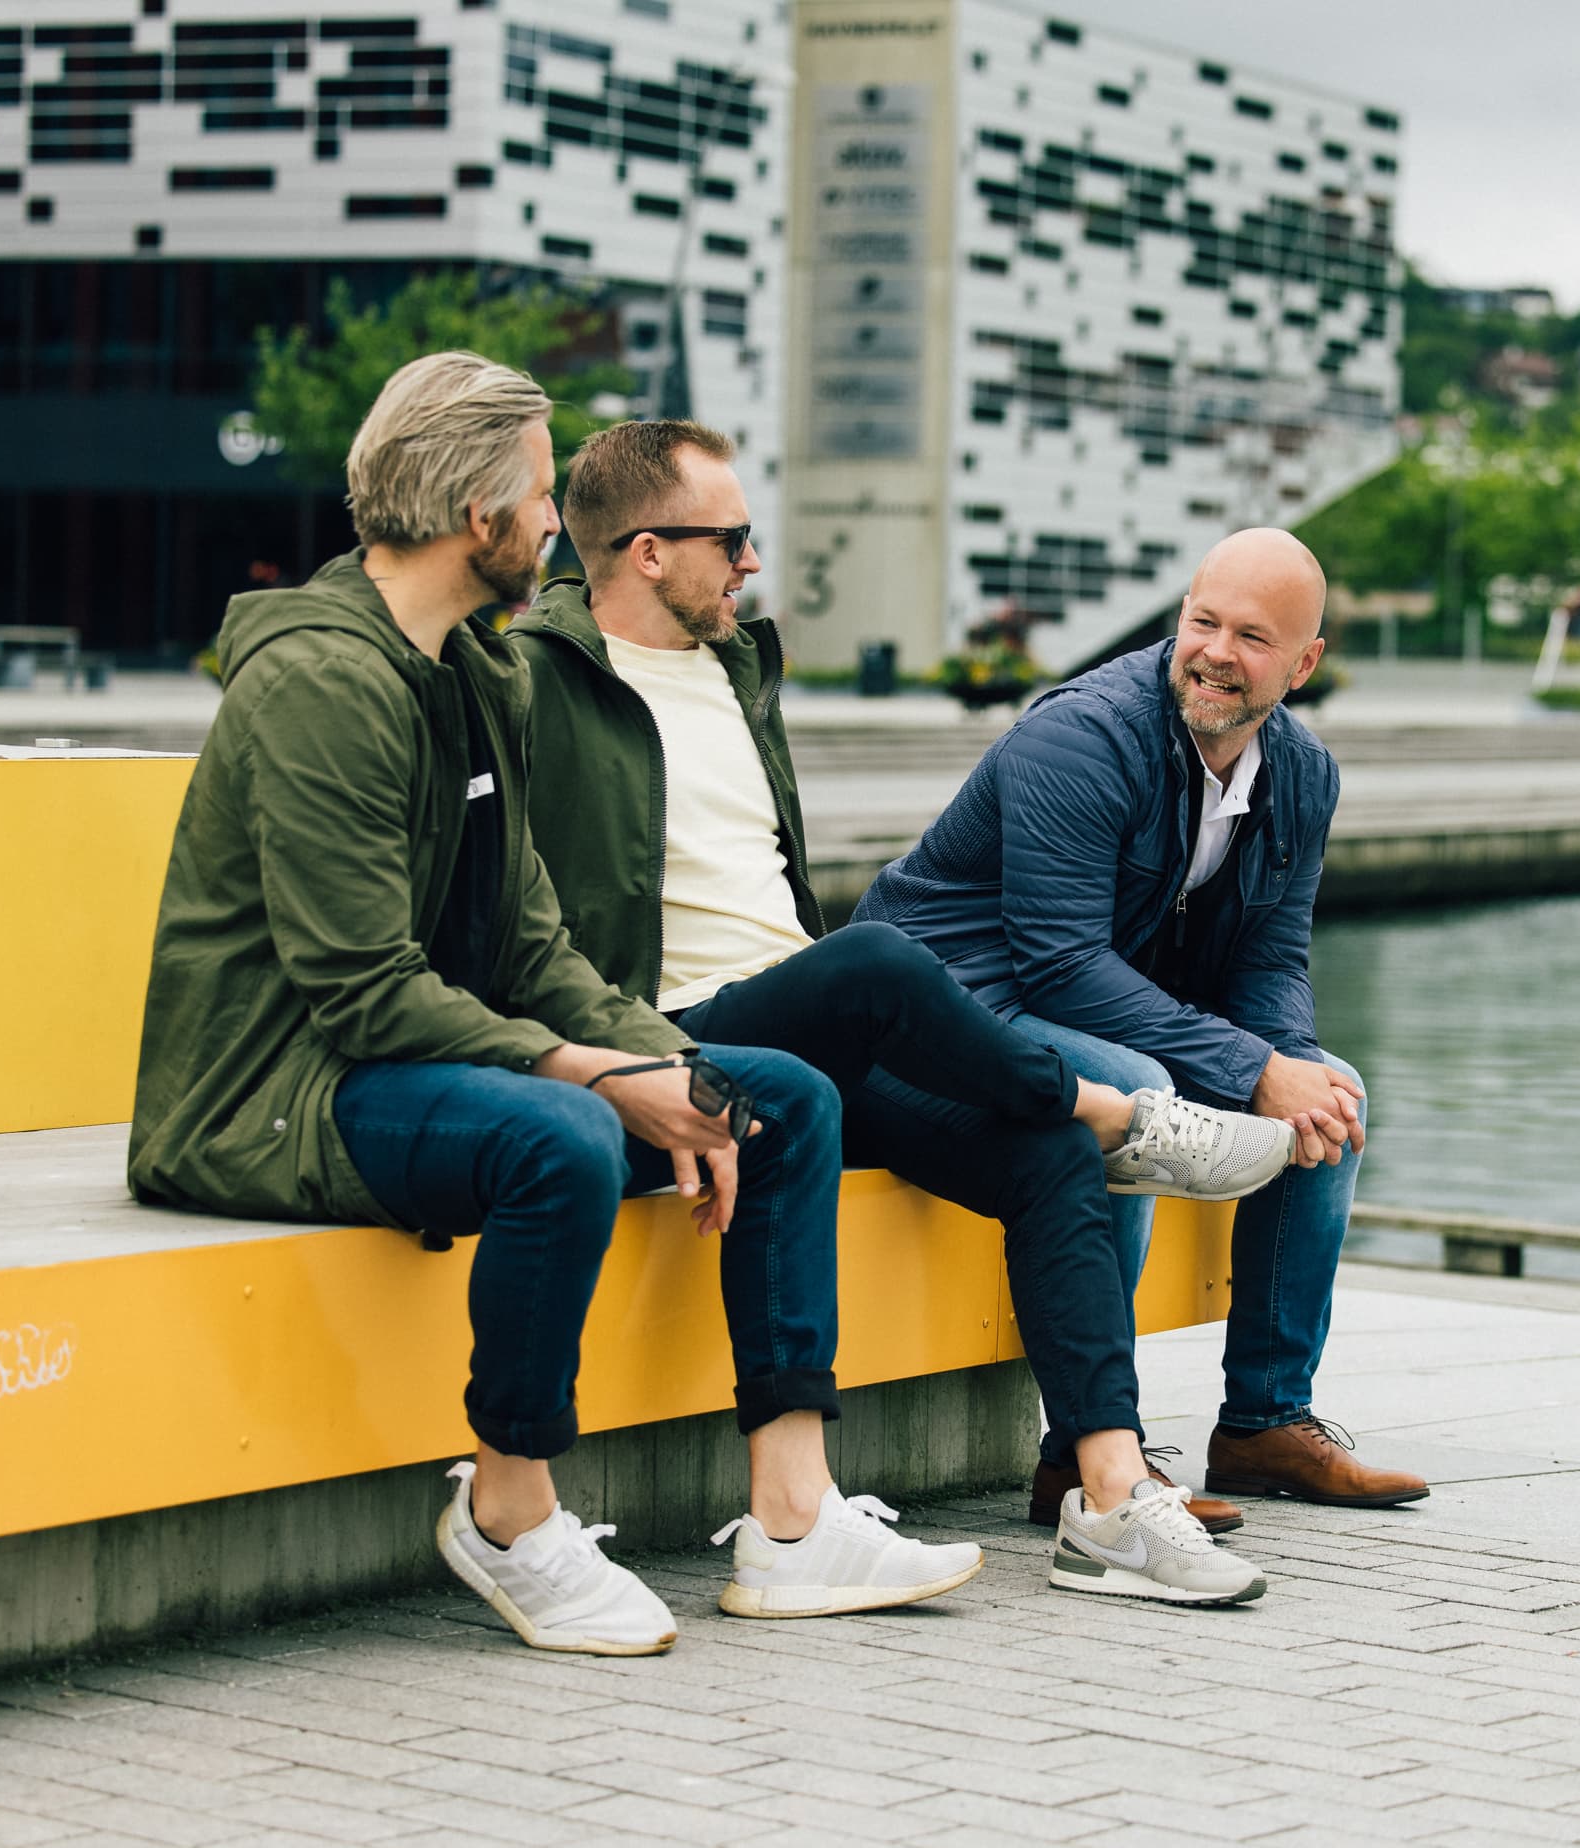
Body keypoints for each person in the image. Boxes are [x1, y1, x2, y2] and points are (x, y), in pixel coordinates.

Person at [127, 354, 980, 1654]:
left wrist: (673, 1062)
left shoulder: (479, 671)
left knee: (778, 1097)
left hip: (405, 1062)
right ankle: (510, 1509)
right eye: (538, 494)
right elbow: (360, 991)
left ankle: (794, 1520)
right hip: (277, 1093)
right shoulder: (321, 682)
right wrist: (593, 1074)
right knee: (563, 1137)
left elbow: (531, 943)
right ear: (480, 518)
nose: (553, 522)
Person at [512, 419, 1289, 1607]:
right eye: (732, 539)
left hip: (799, 1026)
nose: (753, 563)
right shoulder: (534, 684)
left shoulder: (732, 671)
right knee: (875, 964)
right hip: (669, 1034)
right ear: (650, 550)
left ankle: (1110, 1500)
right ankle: (1109, 1107)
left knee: (1042, 1160)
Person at [856, 529, 1433, 1513]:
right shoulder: (1079, 737)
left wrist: (1289, 1066)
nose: (1214, 651)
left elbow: (1269, 956)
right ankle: (1083, 1450)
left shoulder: (1301, 775)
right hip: (939, 1017)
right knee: (1137, 1096)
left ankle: (1265, 1423)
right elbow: (1061, 962)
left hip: (1078, 1013)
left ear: (1304, 664)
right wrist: (1252, 1068)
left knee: (1333, 1094)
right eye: (1202, 621)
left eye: (1251, 637)